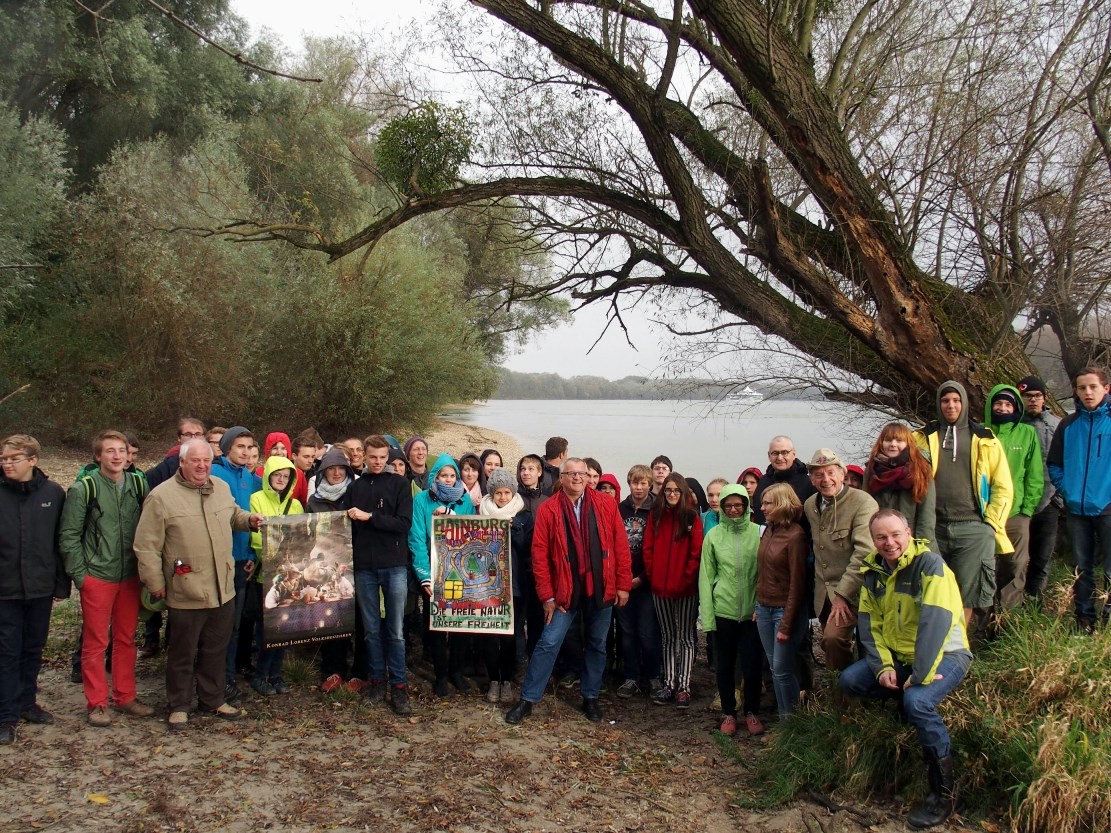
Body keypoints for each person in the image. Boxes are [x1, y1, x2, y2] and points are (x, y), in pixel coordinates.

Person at [839, 509, 971, 830]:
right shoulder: (873, 571)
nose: (890, 542)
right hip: (900, 656)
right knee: (850, 680)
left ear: (908, 532)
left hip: (947, 654)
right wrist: (884, 666)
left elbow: (935, 623)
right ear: (873, 540)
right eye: (881, 537)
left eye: (896, 534)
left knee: (918, 702)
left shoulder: (930, 566)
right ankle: (902, 705)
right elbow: (870, 627)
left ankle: (944, 793)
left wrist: (922, 674)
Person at [134, 438, 263, 730]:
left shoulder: (221, 488)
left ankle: (212, 699)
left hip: (223, 587)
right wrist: (155, 583)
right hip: (186, 588)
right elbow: (146, 546)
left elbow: (233, 515)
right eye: (195, 460)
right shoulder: (161, 497)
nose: (202, 466)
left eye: (206, 460)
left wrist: (250, 520)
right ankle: (178, 705)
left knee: (216, 649)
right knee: (181, 652)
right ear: (182, 462)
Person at [504, 458, 632, 724]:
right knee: (549, 641)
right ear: (560, 478)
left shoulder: (606, 505)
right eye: (570, 473)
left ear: (588, 477)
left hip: (601, 587)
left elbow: (620, 546)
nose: (576, 478)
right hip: (564, 591)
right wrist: (547, 597)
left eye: (581, 474)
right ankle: (528, 699)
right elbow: (539, 557)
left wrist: (623, 584)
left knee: (597, 644)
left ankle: (591, 697)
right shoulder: (549, 509)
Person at [59, 430, 155, 727]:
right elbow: (69, 535)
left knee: (126, 639)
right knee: (96, 641)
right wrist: (81, 576)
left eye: (121, 451)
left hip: (129, 574)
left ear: (129, 455)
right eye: (110, 451)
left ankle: (125, 696)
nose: (117, 456)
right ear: (98, 456)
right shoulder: (83, 489)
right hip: (97, 576)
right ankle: (97, 702)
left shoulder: (138, 483)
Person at [915, 381, 1013, 627]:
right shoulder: (922, 437)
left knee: (967, 594)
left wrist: (990, 524)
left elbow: (1002, 487)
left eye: (956, 400)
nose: (951, 405)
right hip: (932, 527)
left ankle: (958, 649)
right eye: (945, 400)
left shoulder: (985, 438)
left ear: (964, 403)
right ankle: (932, 646)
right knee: (932, 591)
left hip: (973, 526)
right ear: (938, 404)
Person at [0, 434, 68, 745]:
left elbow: (59, 541)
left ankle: (27, 702)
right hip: (6, 588)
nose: (7, 463)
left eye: (14, 458)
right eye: (4, 458)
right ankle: (6, 714)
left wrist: (60, 582)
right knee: (7, 651)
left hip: (40, 587)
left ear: (33, 460)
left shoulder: (53, 494)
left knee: (32, 649)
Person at [346, 435, 415, 714]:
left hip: (394, 564)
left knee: (396, 632)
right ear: (363, 455)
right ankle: (376, 681)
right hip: (364, 566)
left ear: (388, 457)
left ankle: (399, 686)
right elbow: (346, 530)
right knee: (372, 630)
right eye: (372, 457)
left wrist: (370, 517)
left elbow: (403, 524)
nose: (377, 462)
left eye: (382, 457)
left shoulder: (399, 484)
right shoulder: (356, 487)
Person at [1047, 367, 1111, 632]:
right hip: (1076, 510)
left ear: (1105, 388)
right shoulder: (1068, 424)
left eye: (1093, 387)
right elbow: (1054, 464)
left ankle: (1108, 619)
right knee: (1081, 568)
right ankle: (1085, 619)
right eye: (1082, 388)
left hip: (1108, 507)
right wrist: (1068, 490)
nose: (1087, 392)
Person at [803, 448, 879, 671]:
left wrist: (842, 595)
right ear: (812, 479)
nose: (825, 480)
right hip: (823, 593)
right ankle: (842, 692)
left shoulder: (863, 502)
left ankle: (848, 694)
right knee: (831, 645)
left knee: (834, 640)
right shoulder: (810, 505)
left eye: (831, 473)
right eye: (819, 475)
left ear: (842, 474)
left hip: (857, 591)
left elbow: (865, 553)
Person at [699, 484, 763, 736]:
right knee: (724, 665)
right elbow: (706, 576)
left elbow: (765, 573)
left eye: (738, 505)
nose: (734, 510)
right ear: (722, 508)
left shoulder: (759, 533)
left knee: (752, 664)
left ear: (747, 506)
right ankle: (728, 711)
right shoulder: (714, 536)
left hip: (753, 613)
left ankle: (752, 711)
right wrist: (708, 617)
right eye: (728, 506)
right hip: (723, 609)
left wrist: (763, 605)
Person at [410, 453, 476, 697]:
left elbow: (472, 534)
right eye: (443, 475)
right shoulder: (421, 500)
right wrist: (424, 575)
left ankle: (455, 671)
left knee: (459, 625)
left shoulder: (464, 500)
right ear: (435, 477)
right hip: (433, 573)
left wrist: (455, 520)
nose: (448, 480)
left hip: (459, 573)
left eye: (452, 475)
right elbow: (416, 538)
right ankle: (440, 675)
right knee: (436, 626)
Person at [308, 446, 368, 693]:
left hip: (358, 564)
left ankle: (361, 672)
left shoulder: (356, 492)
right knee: (332, 618)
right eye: (331, 468)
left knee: (362, 620)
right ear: (323, 471)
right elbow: (309, 531)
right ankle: (333, 670)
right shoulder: (315, 500)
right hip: (328, 566)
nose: (336, 473)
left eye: (340, 468)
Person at [210, 426, 262, 702]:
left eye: (249, 447)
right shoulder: (215, 474)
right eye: (239, 446)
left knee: (235, 626)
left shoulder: (248, 477)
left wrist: (252, 556)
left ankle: (227, 678)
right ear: (227, 447)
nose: (245, 452)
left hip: (242, 560)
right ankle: (216, 680)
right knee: (220, 625)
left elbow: (250, 518)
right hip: (220, 561)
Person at [643, 472, 704, 708]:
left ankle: (684, 686)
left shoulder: (691, 518)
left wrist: (687, 579)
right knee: (668, 637)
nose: (671, 494)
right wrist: (653, 575)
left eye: (676, 491)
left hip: (686, 589)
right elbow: (648, 548)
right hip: (660, 587)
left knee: (687, 637)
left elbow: (695, 553)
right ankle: (669, 684)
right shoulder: (656, 516)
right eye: (667, 490)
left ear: (683, 493)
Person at [983, 385, 1044, 609]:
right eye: (998, 403)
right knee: (985, 565)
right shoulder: (980, 432)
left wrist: (1028, 508)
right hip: (985, 513)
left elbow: (1034, 474)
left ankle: (1006, 619)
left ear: (1016, 407)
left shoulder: (1027, 433)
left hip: (1017, 512)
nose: (1003, 407)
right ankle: (983, 619)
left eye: (1008, 404)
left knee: (1016, 565)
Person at [248, 455, 304, 695]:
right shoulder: (256, 499)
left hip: (290, 575)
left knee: (285, 629)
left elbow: (300, 537)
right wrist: (272, 553)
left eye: (285, 476)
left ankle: (276, 675)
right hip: (267, 573)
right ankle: (260, 675)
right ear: (268, 476)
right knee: (265, 630)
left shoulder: (296, 505)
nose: (281, 480)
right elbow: (256, 535)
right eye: (277, 475)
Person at [755, 483, 809, 718]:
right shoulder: (769, 530)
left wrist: (786, 625)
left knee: (782, 670)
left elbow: (798, 584)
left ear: (781, 504)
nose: (762, 507)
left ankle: (791, 723)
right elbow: (763, 570)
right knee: (776, 668)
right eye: (763, 502)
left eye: (768, 503)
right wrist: (758, 604)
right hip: (764, 609)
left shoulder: (796, 535)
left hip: (783, 612)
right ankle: (785, 719)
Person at [478, 468, 526, 704]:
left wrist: (514, 529)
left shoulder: (522, 516)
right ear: (492, 494)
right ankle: (493, 680)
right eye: (499, 493)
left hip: (513, 585)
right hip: (487, 585)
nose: (503, 497)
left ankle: (506, 680)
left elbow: (526, 549)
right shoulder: (482, 513)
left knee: (509, 635)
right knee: (489, 635)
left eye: (507, 492)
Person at [615, 464, 660, 699]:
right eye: (635, 483)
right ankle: (630, 676)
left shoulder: (657, 509)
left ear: (650, 484)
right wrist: (623, 579)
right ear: (629, 483)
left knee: (647, 631)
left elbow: (660, 548)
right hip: (623, 580)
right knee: (627, 631)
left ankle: (652, 675)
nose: (639, 487)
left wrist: (642, 578)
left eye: (643, 483)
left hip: (647, 581)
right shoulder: (620, 509)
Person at [1016, 376, 1062, 602]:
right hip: (1018, 504)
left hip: (1049, 502)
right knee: (1015, 558)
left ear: (1044, 398)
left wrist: (1059, 498)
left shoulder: (1057, 426)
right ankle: (1011, 605)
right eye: (1027, 396)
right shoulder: (1013, 426)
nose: (1033, 400)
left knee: (1041, 558)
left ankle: (1034, 605)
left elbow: (1068, 463)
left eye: (1037, 396)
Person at [863, 422, 936, 546]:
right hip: (881, 542)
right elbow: (865, 508)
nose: (893, 444)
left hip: (912, 540)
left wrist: (922, 548)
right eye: (888, 440)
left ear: (908, 443)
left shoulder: (921, 470)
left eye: (899, 440)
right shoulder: (871, 470)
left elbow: (926, 516)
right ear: (881, 443)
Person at [751, 437, 816, 526]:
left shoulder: (808, 483)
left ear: (793, 454)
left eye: (784, 452)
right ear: (769, 456)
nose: (780, 457)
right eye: (775, 453)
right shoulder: (763, 482)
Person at [146, 417, 206, 489]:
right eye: (188, 434)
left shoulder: (213, 466)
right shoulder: (162, 471)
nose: (193, 438)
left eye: (198, 434)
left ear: (203, 437)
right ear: (179, 438)